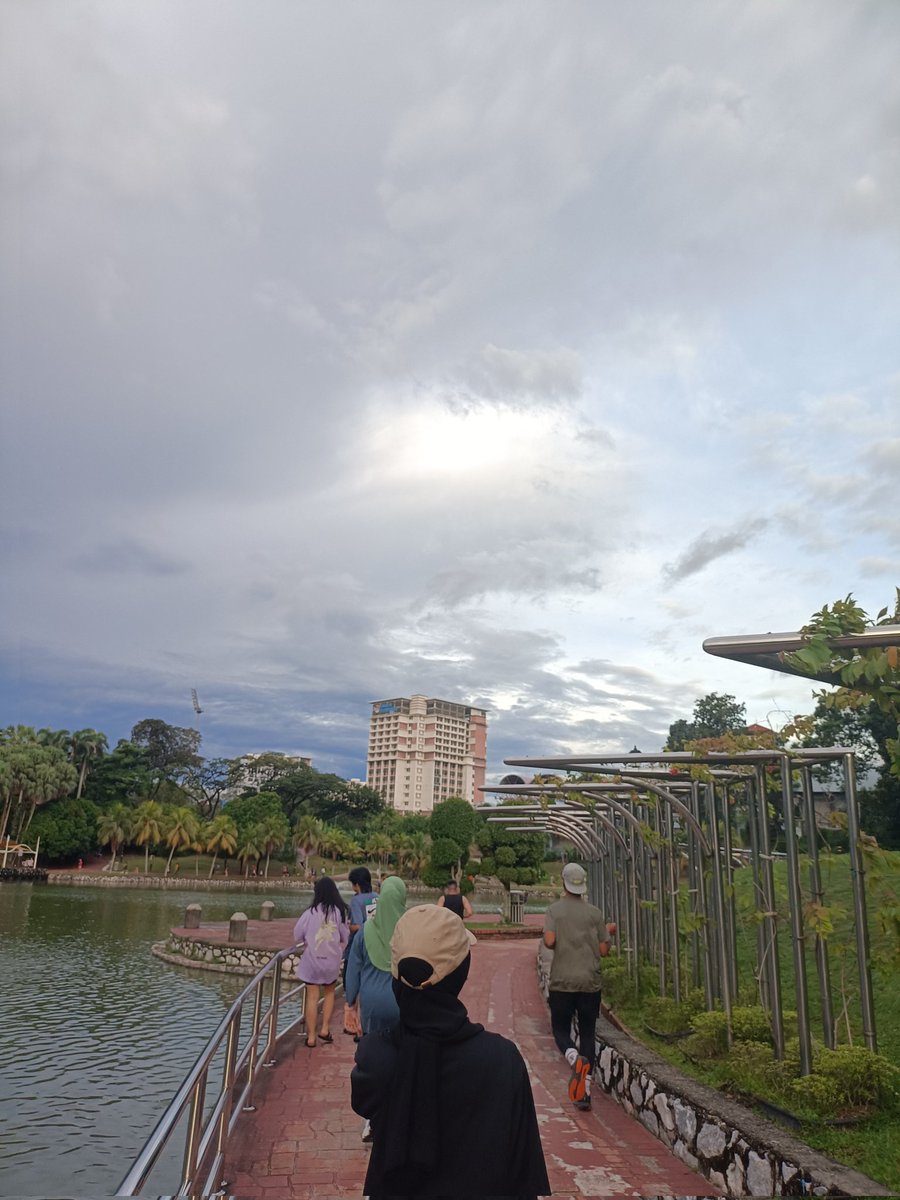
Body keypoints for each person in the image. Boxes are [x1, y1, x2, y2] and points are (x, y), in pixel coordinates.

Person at [351, 904, 550, 1199]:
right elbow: (523, 1173)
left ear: (396, 977)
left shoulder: (375, 1056)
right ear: (462, 974)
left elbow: (365, 1103)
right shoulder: (502, 1060)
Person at [542, 861, 610, 1111]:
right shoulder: (594, 913)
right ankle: (586, 1091)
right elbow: (603, 949)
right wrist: (608, 934)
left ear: (563, 882)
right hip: (590, 983)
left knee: (561, 1031)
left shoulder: (554, 910)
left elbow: (549, 941)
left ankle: (573, 1057)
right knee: (588, 1031)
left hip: (563, 981)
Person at [293, 875, 350, 1047]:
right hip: (331, 960)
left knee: (312, 997)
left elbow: (297, 934)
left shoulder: (310, 912)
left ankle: (311, 1037)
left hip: (312, 960)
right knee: (330, 993)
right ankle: (324, 1029)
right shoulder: (339, 912)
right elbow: (344, 936)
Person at [343, 866, 379, 1036]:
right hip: (374, 945)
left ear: (357, 884)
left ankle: (354, 1022)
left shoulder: (356, 901)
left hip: (358, 945)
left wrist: (349, 926)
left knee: (353, 983)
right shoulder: (377, 898)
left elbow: (357, 925)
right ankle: (365, 1024)